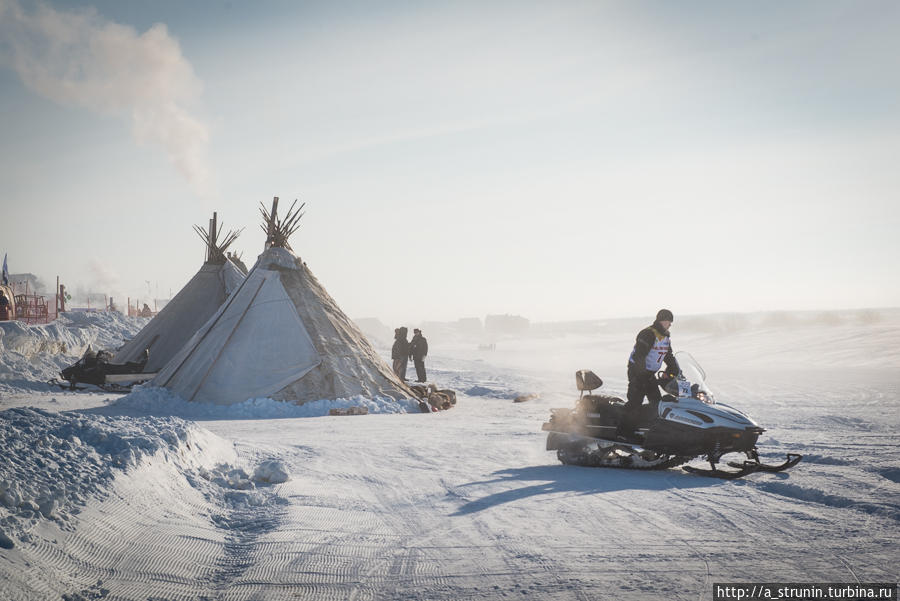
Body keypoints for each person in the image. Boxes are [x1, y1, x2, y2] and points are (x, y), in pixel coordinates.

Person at [618, 309, 680, 439]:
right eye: (669, 322)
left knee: (656, 403)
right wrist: (641, 375)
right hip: (637, 371)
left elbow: (668, 356)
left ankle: (651, 432)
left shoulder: (665, 337)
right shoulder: (648, 334)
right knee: (635, 401)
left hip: (649, 374)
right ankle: (623, 434)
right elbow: (639, 356)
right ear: (662, 320)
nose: (670, 325)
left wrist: (674, 371)